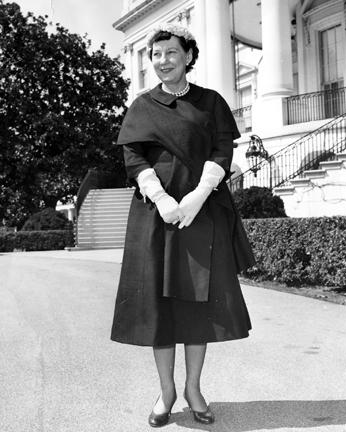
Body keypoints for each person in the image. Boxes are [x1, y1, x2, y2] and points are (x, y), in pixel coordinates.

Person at [111, 23, 255, 427]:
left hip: (201, 213)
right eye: (156, 56)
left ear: (188, 55)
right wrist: (163, 200)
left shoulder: (211, 102)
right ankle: (166, 391)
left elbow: (222, 151)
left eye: (171, 53)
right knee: (159, 307)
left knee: (196, 307)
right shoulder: (142, 105)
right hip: (155, 216)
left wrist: (195, 197)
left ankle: (193, 388)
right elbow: (134, 159)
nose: (162, 61)